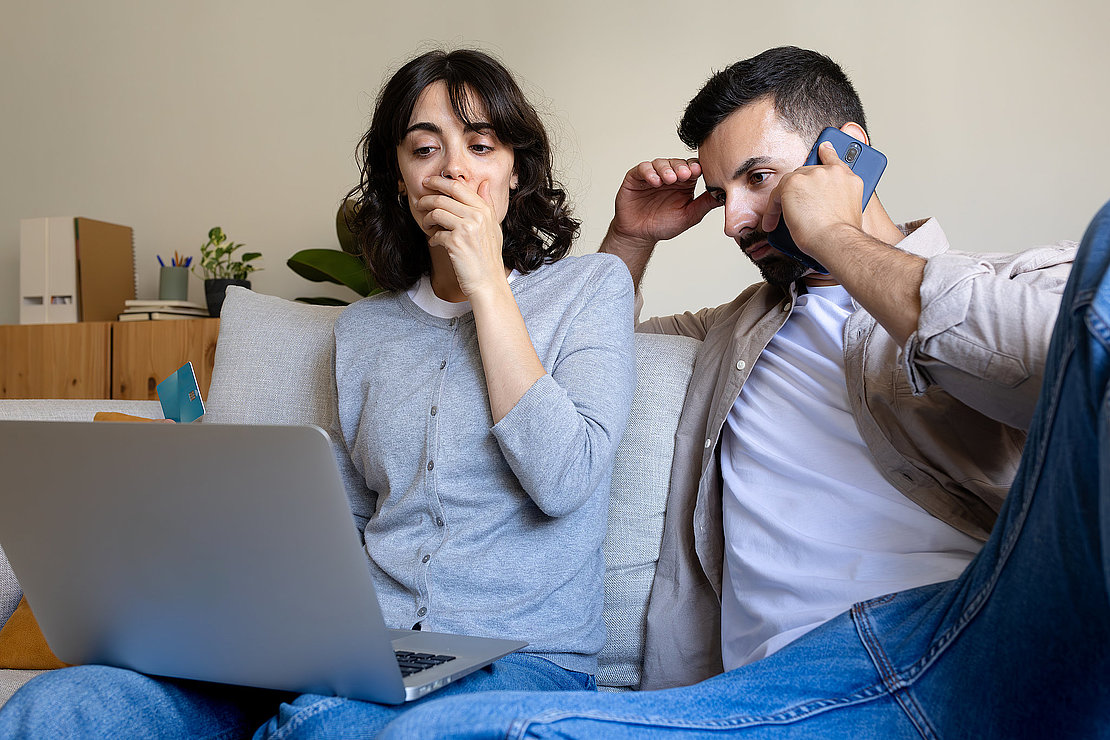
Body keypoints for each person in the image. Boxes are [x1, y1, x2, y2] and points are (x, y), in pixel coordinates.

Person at [374, 47, 1108, 737]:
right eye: (722, 193)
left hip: (964, 640)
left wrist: (837, 238)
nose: (732, 221)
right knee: (428, 725)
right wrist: (631, 240)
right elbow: (575, 364)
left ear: (848, 152)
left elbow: (1053, 358)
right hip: (777, 696)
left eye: (759, 179)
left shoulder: (1016, 282)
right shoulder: (730, 331)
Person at [0, 48, 636, 739]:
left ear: (517, 170)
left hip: (522, 662)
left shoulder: (589, 289)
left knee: (326, 728)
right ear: (400, 180)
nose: (454, 168)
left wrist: (485, 283)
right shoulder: (365, 332)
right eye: (426, 148)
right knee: (60, 708)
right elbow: (347, 524)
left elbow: (565, 478)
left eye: (481, 145)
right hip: (357, 655)